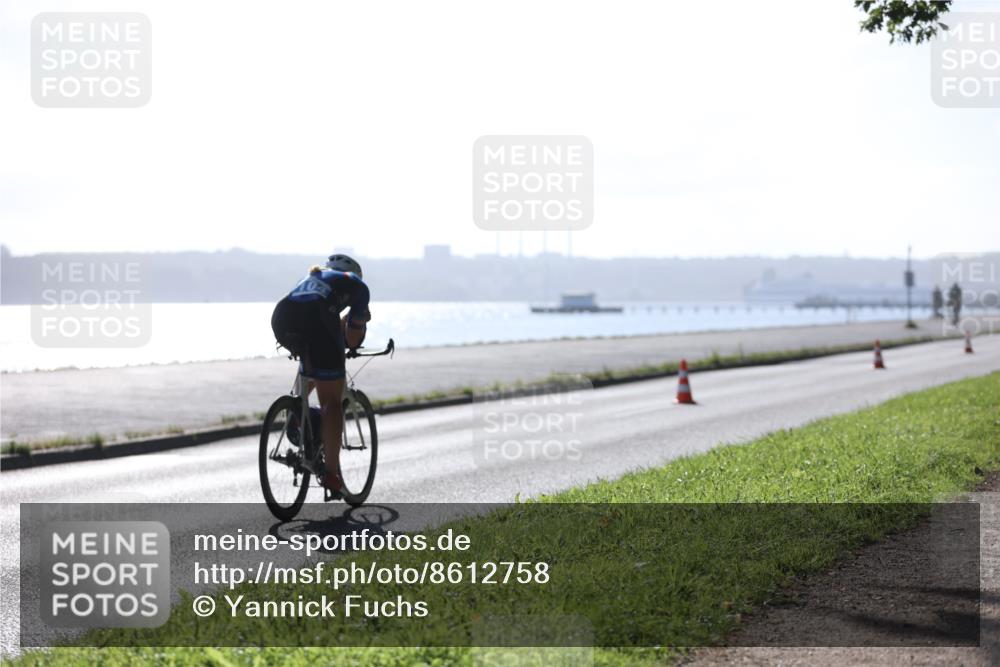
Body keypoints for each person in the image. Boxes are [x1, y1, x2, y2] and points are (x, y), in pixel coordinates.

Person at [270, 254, 371, 494]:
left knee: (312, 357)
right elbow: (351, 340)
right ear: (356, 274)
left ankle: (297, 409)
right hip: (315, 321)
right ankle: (332, 475)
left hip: (282, 318)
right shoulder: (359, 287)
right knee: (332, 403)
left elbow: (322, 317)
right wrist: (358, 322)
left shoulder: (313, 276)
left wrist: (340, 324)